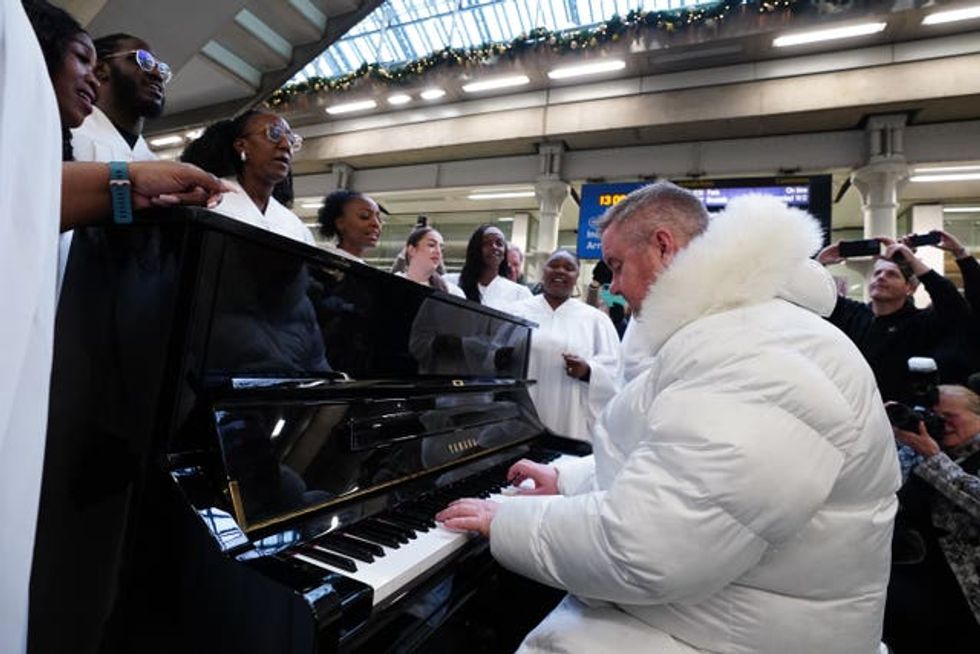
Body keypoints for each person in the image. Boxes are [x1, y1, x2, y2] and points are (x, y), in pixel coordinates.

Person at [437, 184, 901, 653]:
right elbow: (674, 460)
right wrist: (570, 480)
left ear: (662, 246)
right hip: (723, 615)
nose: (613, 285)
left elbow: (649, 550)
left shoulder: (753, 351)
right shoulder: (740, 326)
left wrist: (509, 521)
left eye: (617, 265)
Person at [4, 3, 227, 652]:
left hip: (116, 394)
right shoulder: (71, 139)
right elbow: (32, 198)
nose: (159, 73)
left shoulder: (121, 154)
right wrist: (130, 184)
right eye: (143, 60)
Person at [818, 238, 974, 402]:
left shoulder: (920, 322)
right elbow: (810, 294)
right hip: (848, 403)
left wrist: (912, 261)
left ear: (910, 288)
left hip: (898, 412)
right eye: (877, 273)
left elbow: (953, 304)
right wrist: (820, 263)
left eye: (892, 274)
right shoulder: (853, 313)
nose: (881, 277)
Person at [885, 384, 980, 652]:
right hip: (911, 594)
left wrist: (933, 457)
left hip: (964, 602)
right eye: (932, 416)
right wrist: (890, 437)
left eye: (950, 416)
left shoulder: (933, 455)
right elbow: (885, 491)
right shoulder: (920, 450)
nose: (941, 424)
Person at [509, 250, 621, 442]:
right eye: (553, 265)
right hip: (518, 417)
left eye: (569, 268)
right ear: (543, 271)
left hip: (571, 420)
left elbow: (616, 373)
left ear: (577, 276)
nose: (560, 271)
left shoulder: (596, 320)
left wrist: (588, 371)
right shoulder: (515, 313)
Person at [180, 110, 314, 245]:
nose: (286, 146)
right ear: (241, 145)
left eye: (291, 140)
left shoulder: (296, 228)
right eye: (274, 134)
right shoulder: (208, 202)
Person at [71, 33, 165, 162]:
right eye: (142, 60)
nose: (157, 74)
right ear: (101, 70)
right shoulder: (68, 135)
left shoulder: (154, 162)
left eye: (161, 68)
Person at [454, 224, 532, 310]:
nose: (494, 247)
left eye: (499, 243)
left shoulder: (520, 293)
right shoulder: (452, 283)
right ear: (476, 249)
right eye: (487, 243)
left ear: (504, 254)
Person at [317, 189, 384, 261]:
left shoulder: (359, 266)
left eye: (378, 218)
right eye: (365, 216)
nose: (376, 224)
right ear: (340, 223)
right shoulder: (323, 261)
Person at [397, 226, 464, 297]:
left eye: (441, 249)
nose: (438, 252)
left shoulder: (453, 292)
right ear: (412, 250)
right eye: (431, 245)